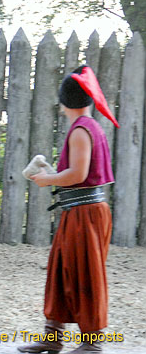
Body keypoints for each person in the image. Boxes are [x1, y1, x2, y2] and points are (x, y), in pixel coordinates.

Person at [18, 65, 119, 354]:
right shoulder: (89, 127)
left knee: (85, 275)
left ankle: (92, 343)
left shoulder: (81, 131)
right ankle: (52, 338)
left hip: (86, 214)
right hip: (78, 211)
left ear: (64, 102)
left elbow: (77, 174)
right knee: (60, 272)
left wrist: (47, 179)